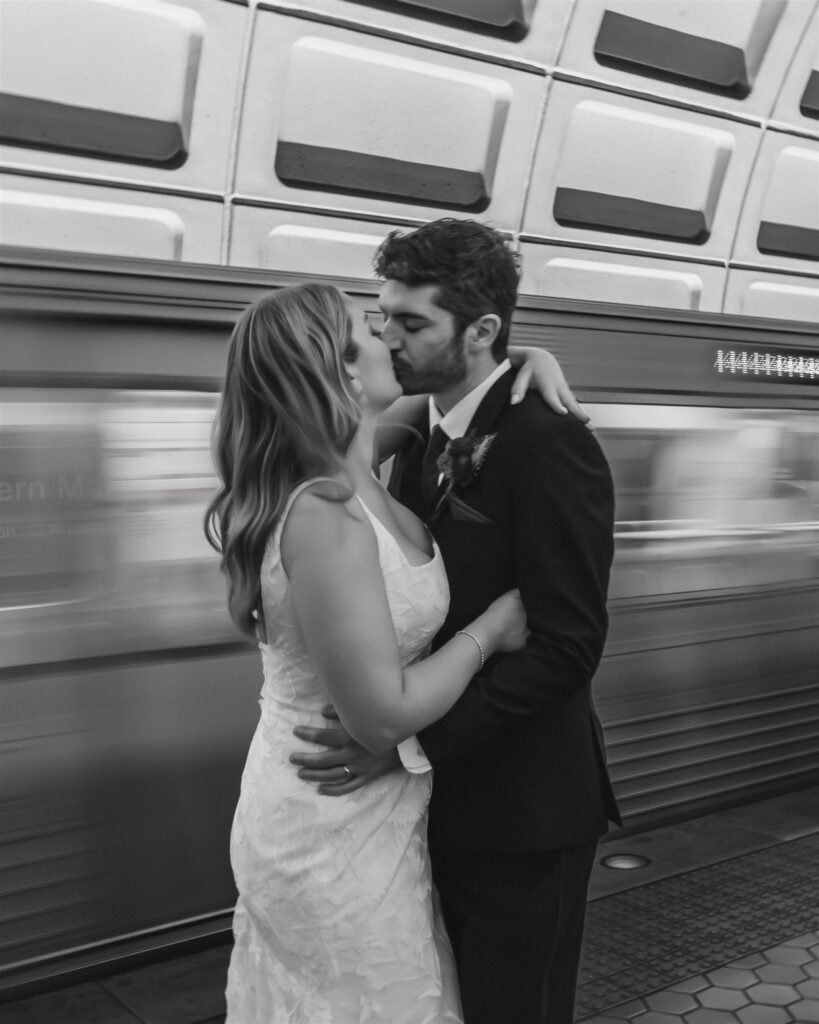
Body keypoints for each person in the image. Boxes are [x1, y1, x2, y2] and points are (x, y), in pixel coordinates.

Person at [205, 281, 578, 1022]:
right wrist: (489, 632)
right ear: (341, 372)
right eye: (373, 330)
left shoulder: (370, 453)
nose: (392, 337)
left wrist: (522, 353)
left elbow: (468, 382)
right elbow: (380, 719)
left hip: (374, 814)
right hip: (327, 818)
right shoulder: (323, 515)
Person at [291, 219, 621, 1024]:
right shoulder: (413, 437)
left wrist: (407, 747)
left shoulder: (548, 446)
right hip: (431, 809)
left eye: (412, 323)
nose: (388, 340)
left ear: (480, 332)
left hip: (521, 815)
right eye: (383, 319)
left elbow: (568, 647)